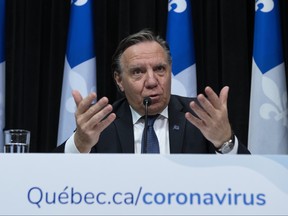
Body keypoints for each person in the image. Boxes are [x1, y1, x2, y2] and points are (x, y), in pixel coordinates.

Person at [54, 29, 250, 154]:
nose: (152, 81)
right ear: (119, 80)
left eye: (159, 69)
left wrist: (225, 142)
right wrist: (79, 144)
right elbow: (51, 177)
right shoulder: (102, 124)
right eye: (138, 72)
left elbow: (249, 181)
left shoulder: (201, 117)